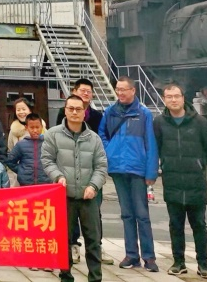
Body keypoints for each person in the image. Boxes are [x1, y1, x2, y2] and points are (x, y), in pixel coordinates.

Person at [154, 84, 207, 279]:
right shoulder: (159, 122)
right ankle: (178, 262)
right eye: (169, 97)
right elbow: (156, 146)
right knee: (175, 225)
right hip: (172, 181)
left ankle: (203, 264)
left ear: (183, 98)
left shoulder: (199, 122)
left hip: (195, 183)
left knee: (199, 225)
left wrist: (198, 164)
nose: (173, 100)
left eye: (176, 96)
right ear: (164, 99)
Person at [41, 95, 107, 282]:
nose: (74, 112)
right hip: (64, 197)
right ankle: (65, 275)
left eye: (79, 109)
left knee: (93, 240)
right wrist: (58, 176)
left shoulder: (94, 138)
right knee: (64, 240)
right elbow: (47, 160)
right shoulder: (53, 134)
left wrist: (93, 186)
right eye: (71, 108)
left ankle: (95, 277)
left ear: (85, 112)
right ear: (65, 110)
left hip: (88, 198)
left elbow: (101, 166)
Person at [99, 76, 159, 272]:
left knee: (142, 214)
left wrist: (151, 172)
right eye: (118, 89)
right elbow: (101, 135)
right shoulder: (110, 112)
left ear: (133, 90)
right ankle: (131, 255)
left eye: (124, 89)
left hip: (138, 169)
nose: (120, 93)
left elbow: (150, 143)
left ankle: (149, 257)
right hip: (118, 168)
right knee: (126, 214)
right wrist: (110, 151)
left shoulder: (143, 113)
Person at [62, 79, 110, 266]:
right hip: (69, 173)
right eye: (82, 90)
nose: (85, 94)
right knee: (70, 216)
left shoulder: (97, 116)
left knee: (94, 213)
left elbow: (102, 142)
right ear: (74, 91)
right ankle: (72, 245)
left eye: (89, 91)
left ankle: (96, 246)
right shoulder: (64, 114)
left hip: (91, 173)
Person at [4, 113, 53, 187]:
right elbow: (10, 161)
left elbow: (55, 160)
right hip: (26, 184)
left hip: (45, 183)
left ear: (42, 127)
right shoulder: (21, 145)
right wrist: (21, 171)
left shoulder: (48, 143)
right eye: (32, 128)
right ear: (26, 127)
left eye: (37, 127)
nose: (35, 130)